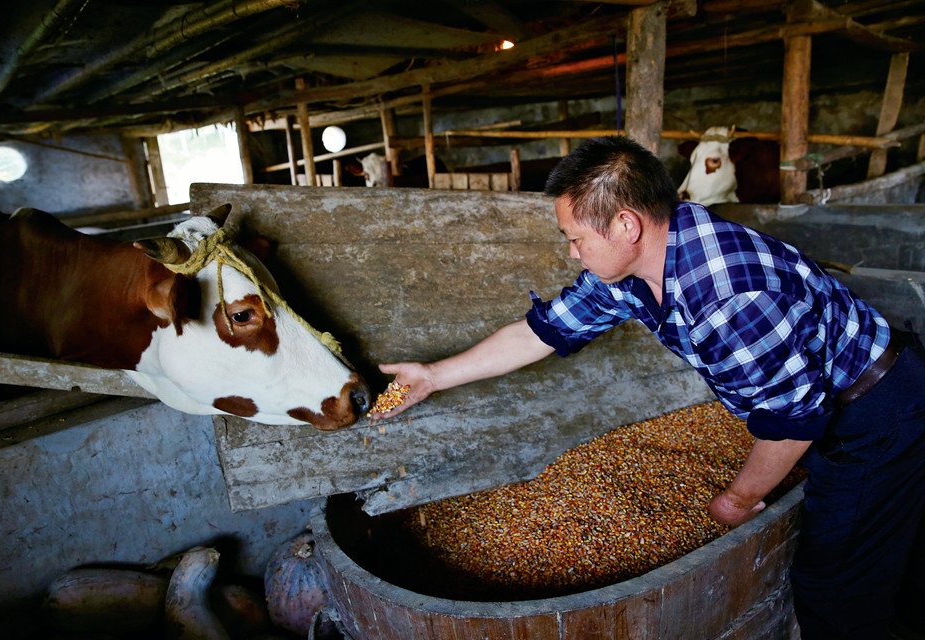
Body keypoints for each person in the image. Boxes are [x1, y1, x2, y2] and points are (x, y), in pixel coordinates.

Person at [376, 136, 925, 639]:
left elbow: (793, 421)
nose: (571, 252)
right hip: (840, 400)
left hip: (876, 413)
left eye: (574, 238)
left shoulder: (729, 295)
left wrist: (738, 500)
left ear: (624, 225)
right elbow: (542, 331)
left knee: (836, 588)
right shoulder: (639, 267)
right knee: (885, 548)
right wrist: (434, 375)